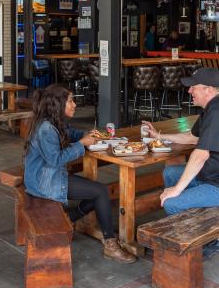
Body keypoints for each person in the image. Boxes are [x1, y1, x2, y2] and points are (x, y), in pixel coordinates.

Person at [142, 67, 219, 258]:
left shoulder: (218, 112)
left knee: (172, 202)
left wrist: (177, 190)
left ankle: (204, 242)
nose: (189, 91)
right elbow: (192, 138)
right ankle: (191, 226)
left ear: (208, 90)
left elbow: (200, 155)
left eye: (193, 87)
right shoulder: (214, 107)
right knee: (170, 173)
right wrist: (159, 136)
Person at [23, 84, 137, 264]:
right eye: (70, 101)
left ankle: (70, 219)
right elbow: (55, 160)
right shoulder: (47, 129)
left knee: (100, 191)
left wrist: (86, 134)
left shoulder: (53, 121)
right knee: (101, 192)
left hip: (48, 176)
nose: (74, 104)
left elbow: (71, 133)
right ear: (58, 104)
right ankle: (110, 244)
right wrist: (82, 143)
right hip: (44, 182)